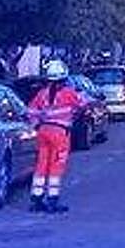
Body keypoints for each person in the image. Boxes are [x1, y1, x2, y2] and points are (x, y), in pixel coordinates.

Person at [26, 59, 84, 213]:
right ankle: (52, 200)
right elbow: (80, 106)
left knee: (41, 164)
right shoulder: (68, 93)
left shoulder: (42, 93)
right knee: (56, 166)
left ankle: (36, 199)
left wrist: (38, 124)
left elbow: (30, 112)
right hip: (59, 133)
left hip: (43, 132)